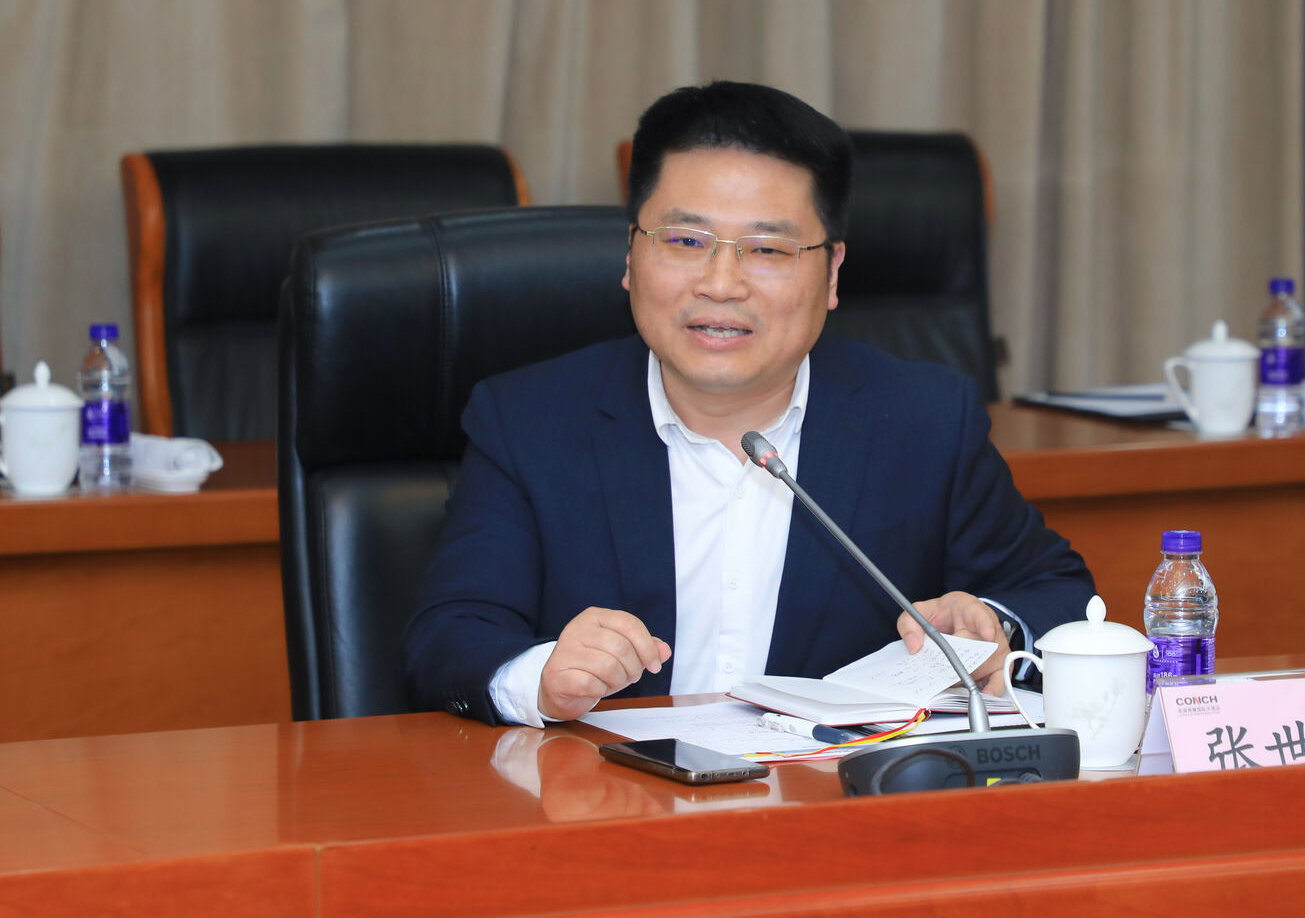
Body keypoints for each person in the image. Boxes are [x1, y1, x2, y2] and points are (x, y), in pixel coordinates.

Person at [404, 81, 1094, 726]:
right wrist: (542, 678)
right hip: (603, 798)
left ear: (832, 274)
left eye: (767, 249)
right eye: (685, 241)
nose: (721, 283)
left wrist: (993, 623)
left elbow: (1057, 591)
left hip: (831, 800)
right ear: (630, 256)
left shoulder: (922, 420)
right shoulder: (529, 421)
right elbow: (451, 635)